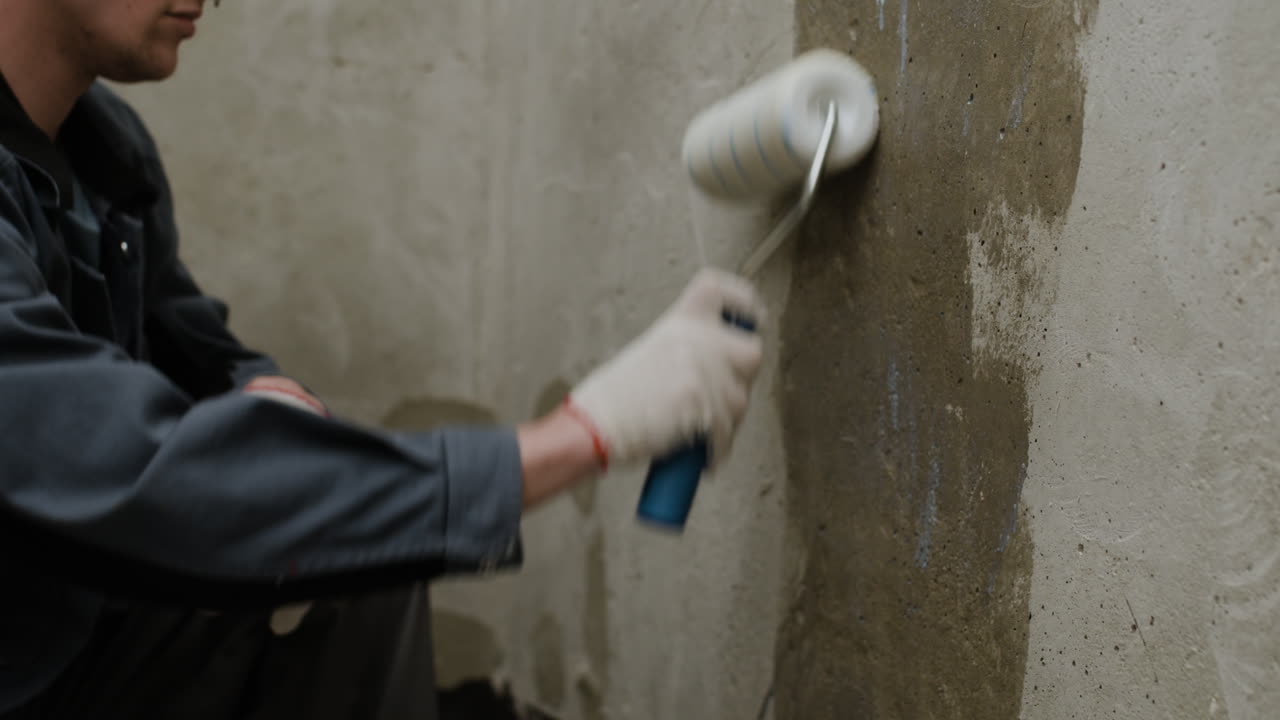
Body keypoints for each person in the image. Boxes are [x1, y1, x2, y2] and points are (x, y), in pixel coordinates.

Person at [0, 0, 766, 718]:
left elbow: (200, 345)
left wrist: (267, 398)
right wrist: (582, 437)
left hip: (84, 632)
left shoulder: (105, 152)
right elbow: (128, 469)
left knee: (358, 555)